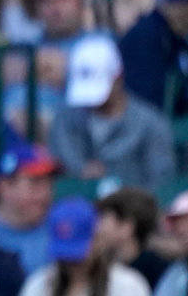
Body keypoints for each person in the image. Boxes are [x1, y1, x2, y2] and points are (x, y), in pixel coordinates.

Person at [11, 198, 154, 296]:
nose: (70, 262)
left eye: (77, 254)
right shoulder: (37, 284)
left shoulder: (129, 285)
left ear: (98, 239)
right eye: (64, 254)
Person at [48, 35, 175, 189]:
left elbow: (161, 183)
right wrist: (81, 173)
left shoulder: (150, 124)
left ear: (118, 77)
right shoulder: (64, 121)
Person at [0, 144, 59, 274]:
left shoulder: (62, 225)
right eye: (36, 182)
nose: (46, 192)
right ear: (4, 187)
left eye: (49, 183)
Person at [93, 187, 169, 288]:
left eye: (102, 218)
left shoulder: (159, 272)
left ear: (126, 227)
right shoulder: (99, 267)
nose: (96, 227)